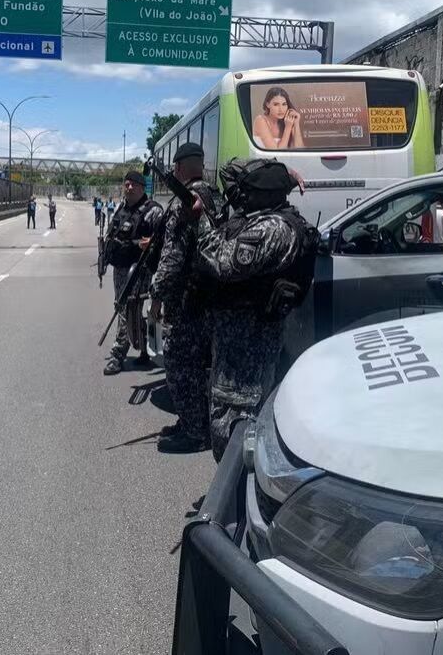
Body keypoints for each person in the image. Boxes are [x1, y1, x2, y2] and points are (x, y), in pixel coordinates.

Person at [193, 158, 319, 460]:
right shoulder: (268, 217)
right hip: (243, 345)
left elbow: (220, 260)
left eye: (244, 193)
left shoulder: (273, 228)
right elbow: (231, 171)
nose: (238, 198)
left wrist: (202, 218)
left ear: (261, 194)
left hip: (246, 357)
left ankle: (237, 490)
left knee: (234, 437)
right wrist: (284, 172)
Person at [150, 142, 225, 454]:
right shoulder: (216, 198)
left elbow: (173, 257)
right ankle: (192, 421)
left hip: (187, 301)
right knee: (199, 366)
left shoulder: (184, 204)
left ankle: (196, 432)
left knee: (180, 364)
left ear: (179, 168)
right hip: (213, 295)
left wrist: (156, 295)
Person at [102, 171, 164, 376]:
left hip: (138, 269)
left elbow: (163, 241)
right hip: (120, 268)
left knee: (126, 308)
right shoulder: (122, 208)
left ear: (142, 187)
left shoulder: (153, 211)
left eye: (134, 184)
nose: (129, 188)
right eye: (126, 184)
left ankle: (117, 355)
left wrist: (149, 244)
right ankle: (145, 349)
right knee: (131, 309)